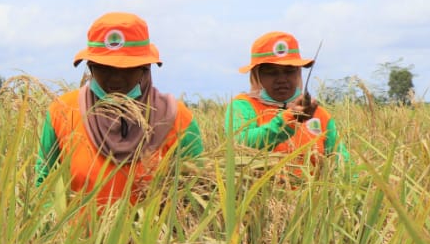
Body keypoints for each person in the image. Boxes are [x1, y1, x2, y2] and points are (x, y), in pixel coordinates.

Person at [36, 12, 204, 207]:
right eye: (104, 68)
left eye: (127, 68)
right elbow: (44, 185)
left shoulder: (176, 118)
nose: (116, 78)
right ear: (90, 66)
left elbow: (197, 190)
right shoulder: (62, 112)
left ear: (145, 68)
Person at [225, 30, 348, 165]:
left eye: (289, 71)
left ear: (298, 72)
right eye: (271, 72)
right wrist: (288, 120)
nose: (282, 79)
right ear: (256, 75)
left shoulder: (319, 115)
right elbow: (240, 143)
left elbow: (342, 162)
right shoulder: (243, 107)